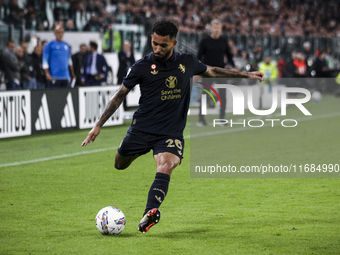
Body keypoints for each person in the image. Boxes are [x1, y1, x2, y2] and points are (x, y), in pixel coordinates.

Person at [81, 20, 263, 234]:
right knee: (119, 164)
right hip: (141, 130)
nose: (158, 49)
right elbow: (120, 95)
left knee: (166, 165)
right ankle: (127, 147)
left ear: (174, 43)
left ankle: (150, 213)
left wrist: (247, 75)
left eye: (163, 45)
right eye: (155, 43)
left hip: (169, 133)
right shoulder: (141, 66)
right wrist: (98, 125)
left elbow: (212, 71)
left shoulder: (187, 62)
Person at [196, 19, 236, 126]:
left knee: (223, 96)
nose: (216, 29)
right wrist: (196, 72)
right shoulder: (204, 41)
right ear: (211, 29)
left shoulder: (223, 41)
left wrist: (234, 67)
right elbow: (198, 57)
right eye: (215, 27)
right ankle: (201, 119)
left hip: (220, 72)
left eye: (218, 27)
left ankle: (222, 118)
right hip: (208, 72)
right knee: (204, 95)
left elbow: (229, 55)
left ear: (221, 29)